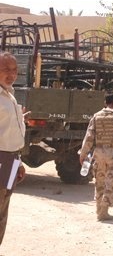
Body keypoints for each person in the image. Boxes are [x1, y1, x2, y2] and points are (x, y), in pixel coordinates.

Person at [79, 91, 113, 221]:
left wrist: (83, 154)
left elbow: (89, 137)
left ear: (105, 102)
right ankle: (104, 211)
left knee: (100, 181)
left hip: (98, 153)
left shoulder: (96, 116)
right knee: (111, 181)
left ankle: (99, 210)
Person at [0, 52, 26, 245]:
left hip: (11, 161)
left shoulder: (9, 95)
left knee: (3, 209)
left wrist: (19, 163)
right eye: (6, 69)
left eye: (14, 70)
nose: (11, 74)